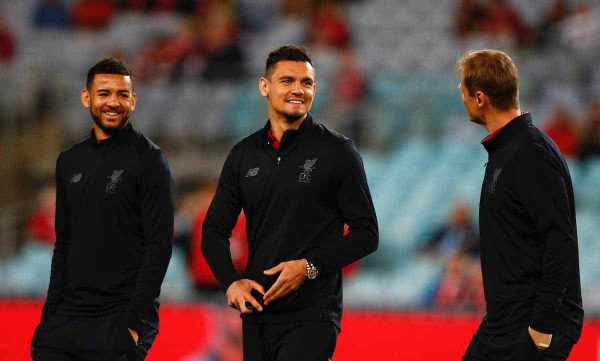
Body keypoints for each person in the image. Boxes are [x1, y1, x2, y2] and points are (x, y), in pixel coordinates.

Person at [202, 45, 378, 361]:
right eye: (287, 81)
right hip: (257, 312)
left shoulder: (338, 152)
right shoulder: (243, 155)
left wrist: (309, 267)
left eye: (306, 83)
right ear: (264, 87)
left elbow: (367, 234)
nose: (298, 89)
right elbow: (214, 231)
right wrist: (231, 283)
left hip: (313, 314)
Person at [31, 58, 174, 361]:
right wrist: (49, 316)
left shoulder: (150, 161)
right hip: (67, 316)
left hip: (118, 316)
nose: (113, 102)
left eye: (122, 95)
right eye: (104, 93)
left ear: (133, 101)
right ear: (87, 98)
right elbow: (64, 244)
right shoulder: (69, 161)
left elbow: (159, 246)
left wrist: (135, 323)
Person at [456, 49, 583, 360]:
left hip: (531, 324)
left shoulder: (531, 153)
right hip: (504, 322)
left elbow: (559, 239)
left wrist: (541, 325)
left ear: (480, 98)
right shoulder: (508, 150)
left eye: (463, 91)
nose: (462, 98)